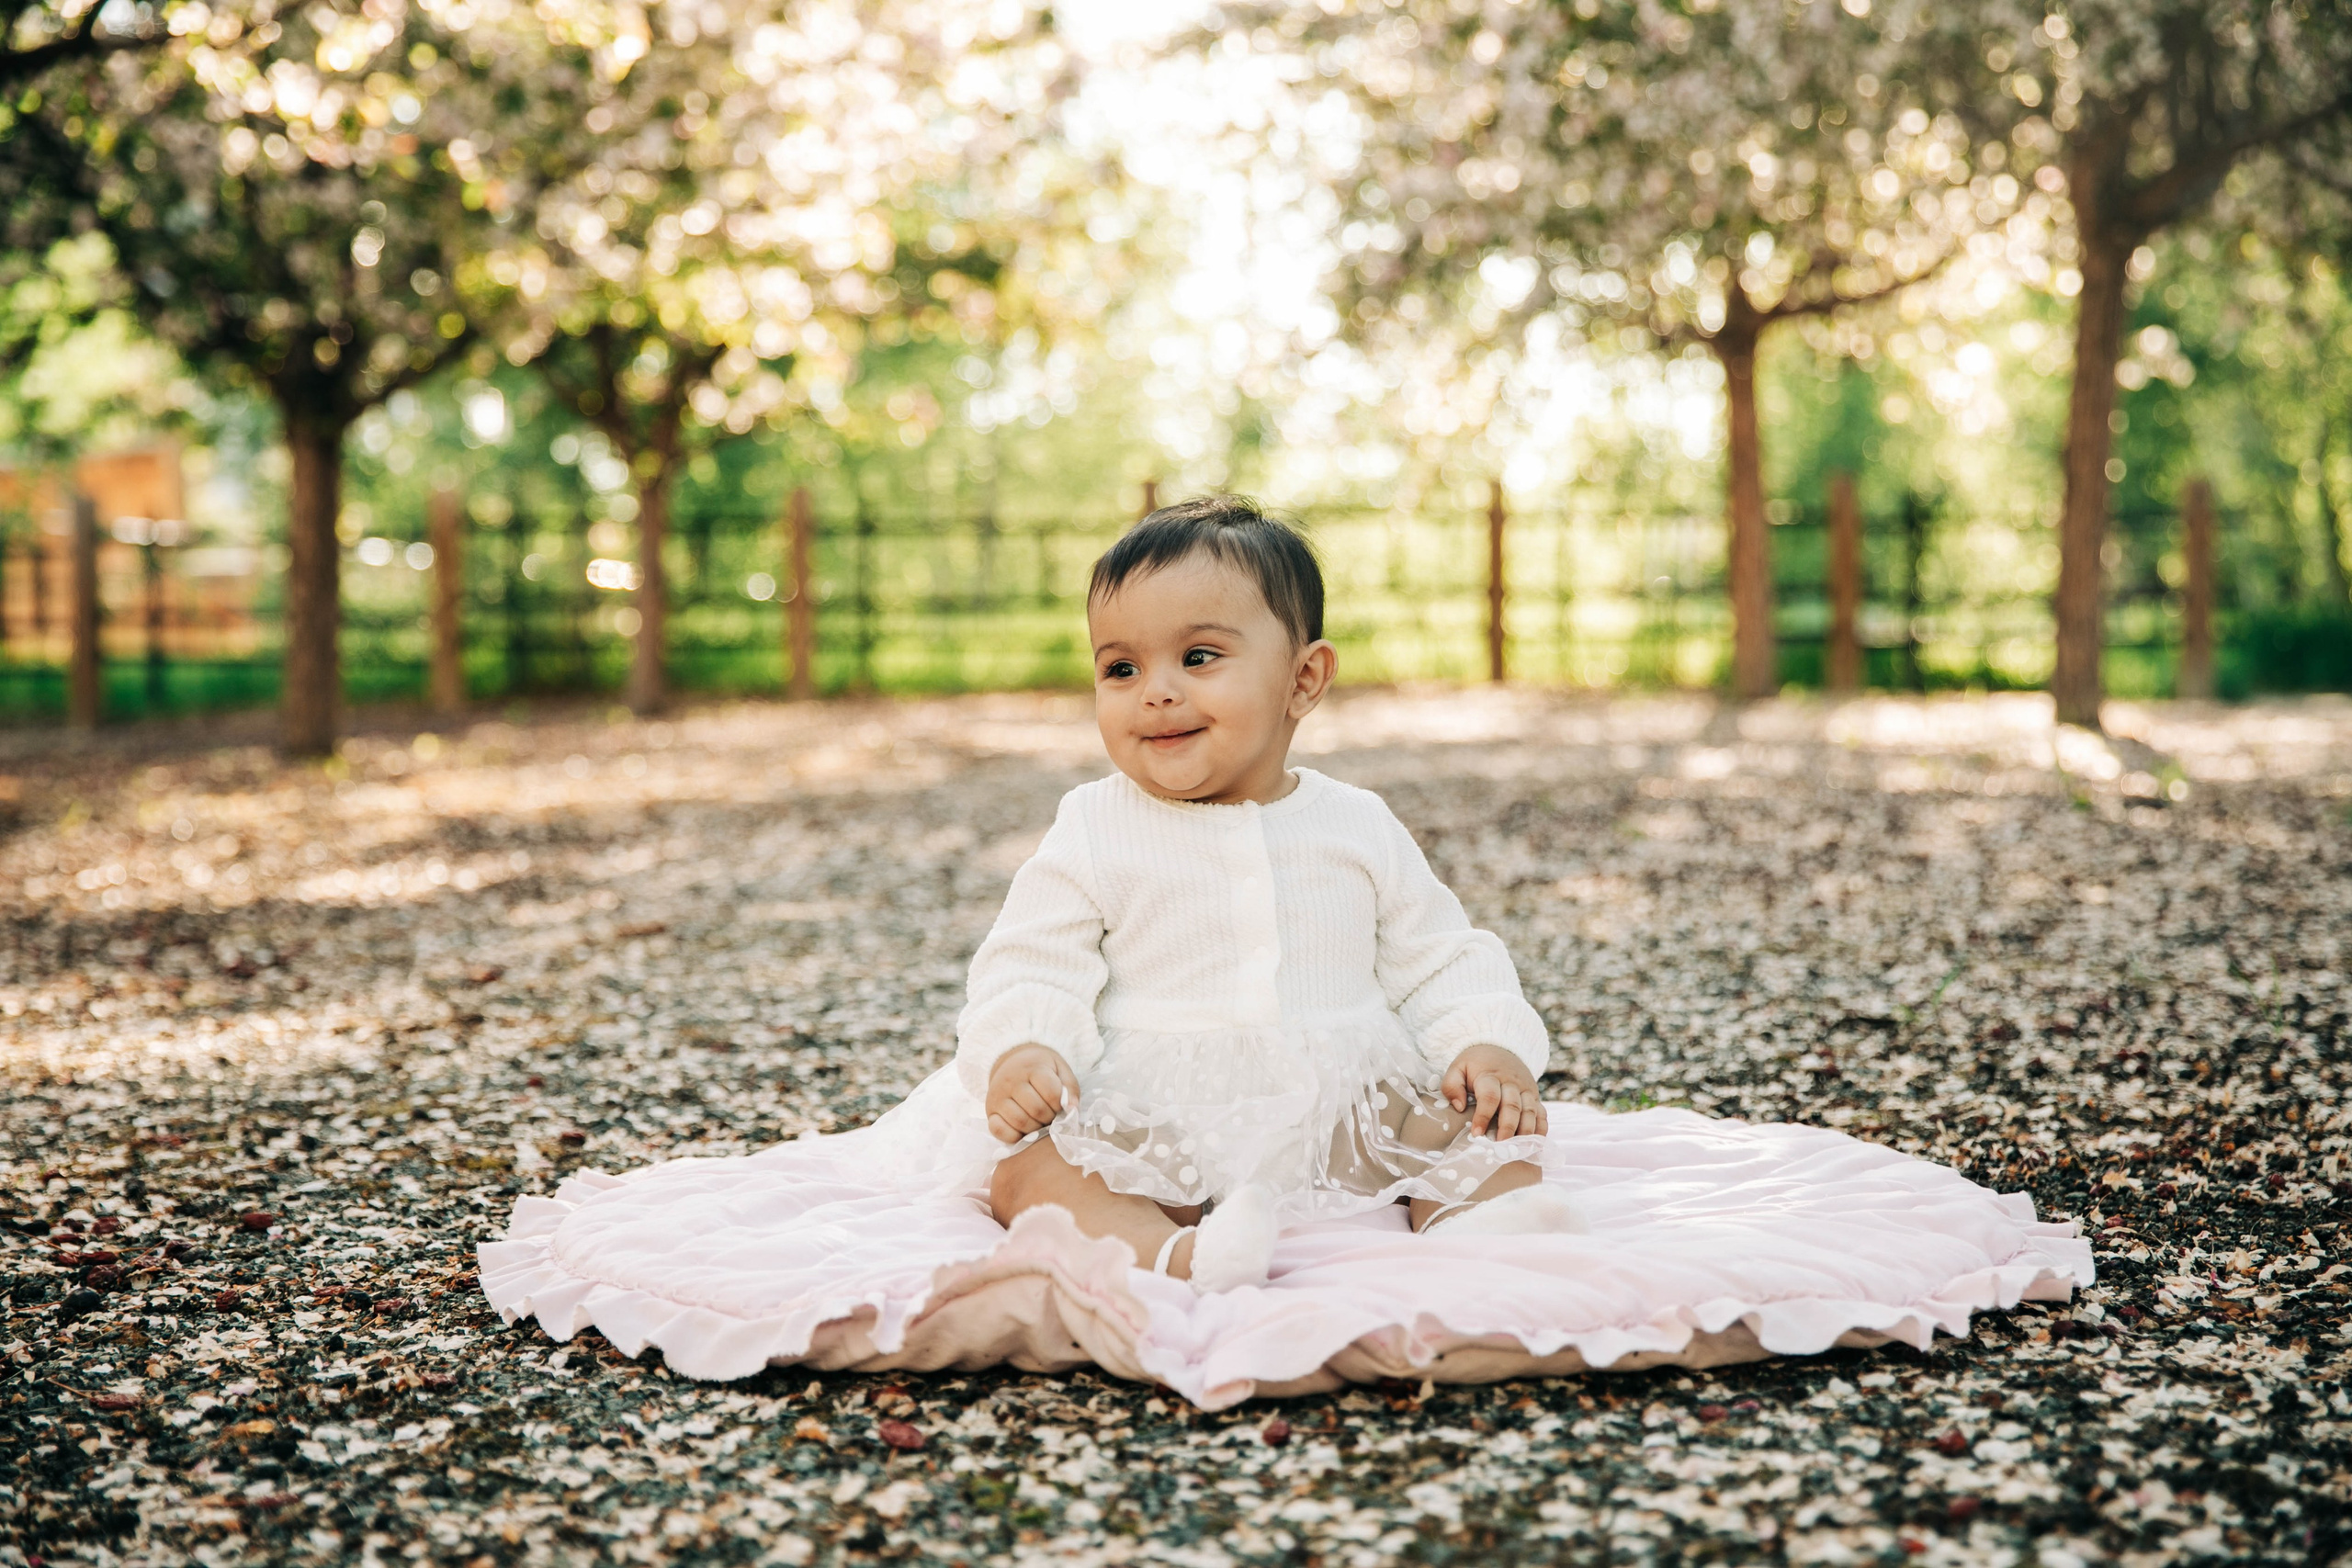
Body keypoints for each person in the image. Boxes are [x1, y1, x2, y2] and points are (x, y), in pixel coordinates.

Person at [965, 496, 1587, 1293]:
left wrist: (1485, 1042)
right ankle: (1176, 1254)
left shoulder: (1353, 824)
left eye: (1197, 657)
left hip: (1341, 1111)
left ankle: (1486, 1233)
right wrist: (1026, 1044)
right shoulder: (1095, 825)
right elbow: (1032, 959)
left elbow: (1437, 956)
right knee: (1033, 1170)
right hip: (1152, 1115)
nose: (1154, 691)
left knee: (1478, 1132)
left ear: (1303, 678)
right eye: (1121, 668)